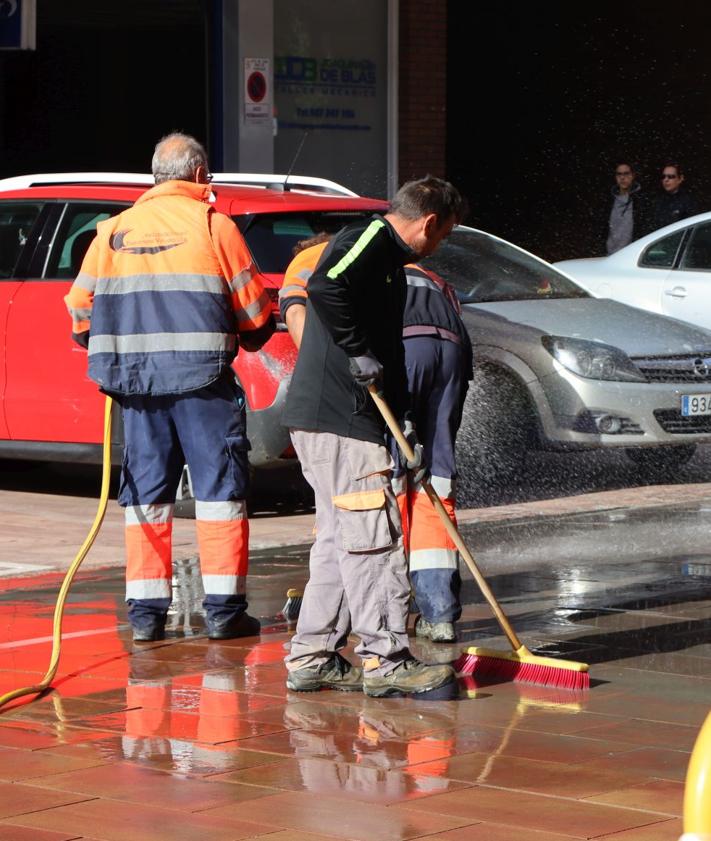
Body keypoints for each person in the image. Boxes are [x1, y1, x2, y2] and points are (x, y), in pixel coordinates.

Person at [64, 132, 275, 643]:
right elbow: (255, 317)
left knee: (146, 500)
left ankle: (146, 618)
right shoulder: (213, 226)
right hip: (203, 384)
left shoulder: (111, 232)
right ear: (200, 176)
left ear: (154, 177)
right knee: (219, 495)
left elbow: (77, 313)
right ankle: (224, 613)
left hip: (135, 390)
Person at [281, 175, 465, 697]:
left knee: (341, 541)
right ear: (428, 223)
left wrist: (402, 419)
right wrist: (357, 351)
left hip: (345, 421)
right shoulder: (369, 239)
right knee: (371, 540)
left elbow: (393, 352)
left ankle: (312, 656)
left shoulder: (393, 267)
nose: (441, 245)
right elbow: (323, 285)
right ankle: (386, 659)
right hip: (338, 418)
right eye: (444, 235)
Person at [602, 162, 650, 254]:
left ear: (633, 175)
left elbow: (644, 228)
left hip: (631, 255)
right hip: (609, 255)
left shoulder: (641, 201)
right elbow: (602, 229)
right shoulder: (608, 201)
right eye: (619, 174)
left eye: (626, 174)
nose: (622, 177)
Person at [651, 162, 698, 231]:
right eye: (663, 177)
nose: (666, 180)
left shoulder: (688, 201)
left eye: (671, 177)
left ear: (680, 179)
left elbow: (690, 228)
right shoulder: (655, 200)